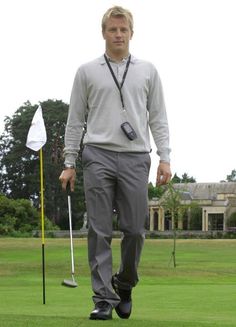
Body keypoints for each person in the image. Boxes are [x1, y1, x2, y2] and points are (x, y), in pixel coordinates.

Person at [59, 5, 172, 320]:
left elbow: (158, 117)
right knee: (99, 229)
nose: (118, 34)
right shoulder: (87, 71)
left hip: (137, 156)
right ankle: (103, 300)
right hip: (98, 154)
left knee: (135, 229)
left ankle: (124, 283)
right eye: (112, 29)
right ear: (104, 33)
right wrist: (69, 161)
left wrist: (165, 157)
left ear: (131, 33)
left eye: (123, 30)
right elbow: (75, 120)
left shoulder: (148, 70)